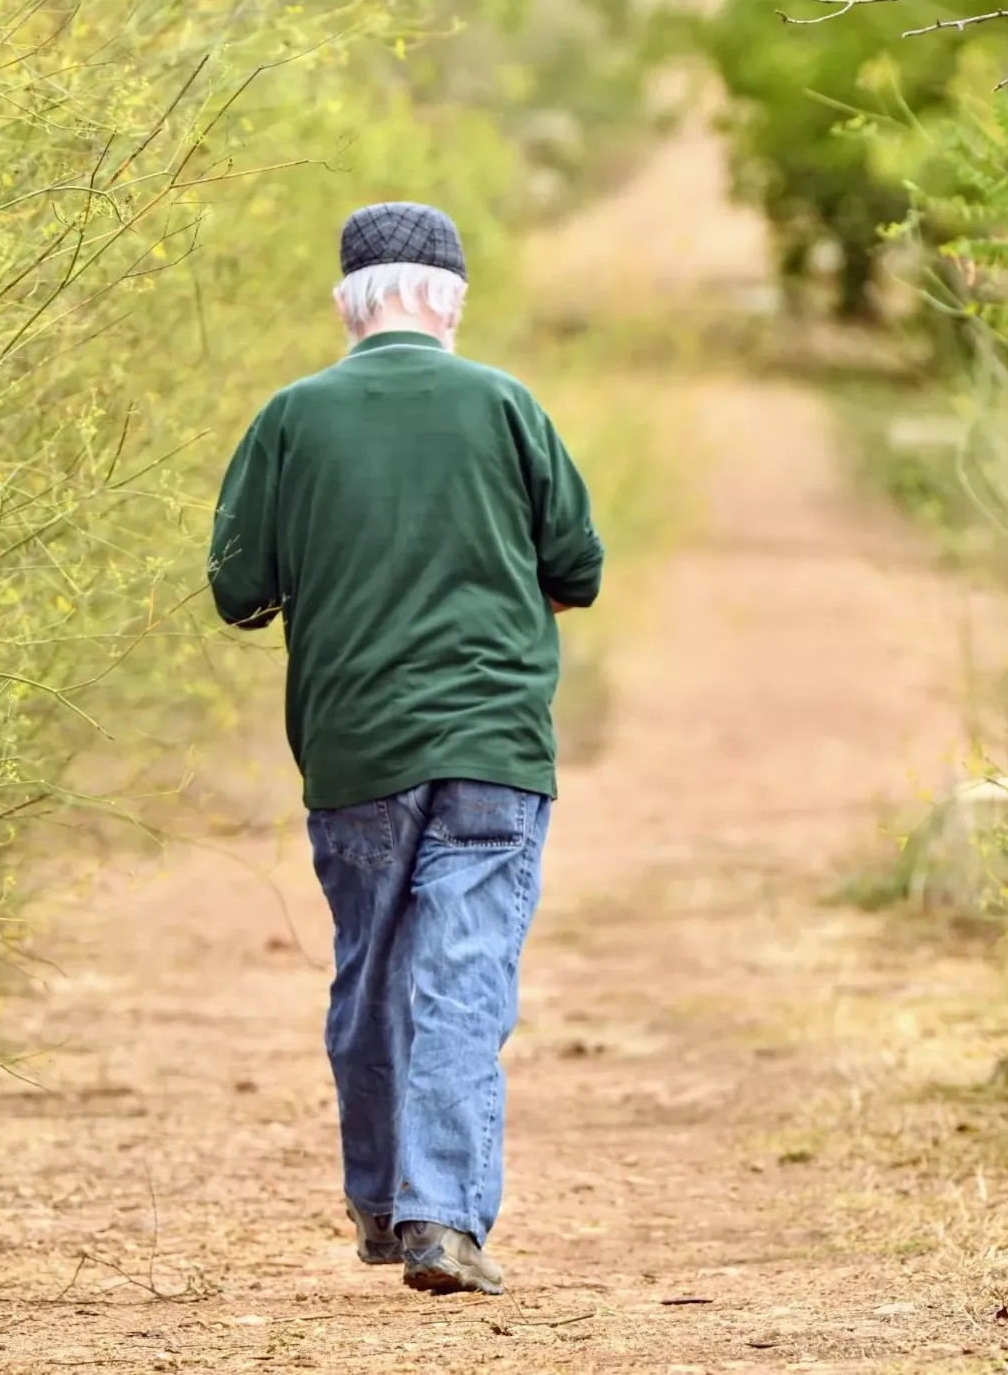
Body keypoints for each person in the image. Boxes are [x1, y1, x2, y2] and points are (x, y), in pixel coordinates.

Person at [208, 201, 604, 1297]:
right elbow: (578, 565)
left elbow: (238, 591)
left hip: (354, 745)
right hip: (494, 745)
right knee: (463, 971)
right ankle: (441, 1220)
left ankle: (385, 1207)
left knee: (372, 970)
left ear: (347, 304)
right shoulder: (507, 403)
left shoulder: (291, 418)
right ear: (452, 303)